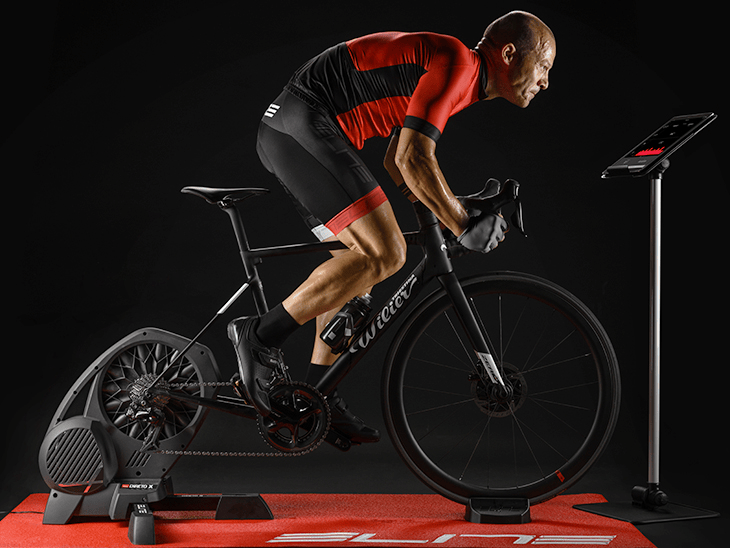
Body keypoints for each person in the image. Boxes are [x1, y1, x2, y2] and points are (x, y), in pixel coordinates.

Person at [228, 11, 556, 444]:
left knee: (357, 269)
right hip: (301, 121)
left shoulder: (461, 79)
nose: (545, 82)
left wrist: (450, 210)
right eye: (544, 66)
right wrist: (461, 223)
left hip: (295, 128)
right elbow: (412, 159)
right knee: (386, 252)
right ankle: (259, 336)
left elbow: (397, 160)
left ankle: (318, 397)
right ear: (509, 53)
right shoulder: (458, 63)